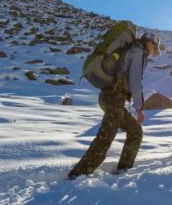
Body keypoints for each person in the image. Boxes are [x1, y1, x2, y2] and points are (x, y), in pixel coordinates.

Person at [68, 32, 159, 179]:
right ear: (150, 43)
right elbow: (135, 81)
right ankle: (77, 175)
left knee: (135, 131)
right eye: (154, 48)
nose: (153, 52)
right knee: (105, 137)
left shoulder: (132, 50)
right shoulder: (138, 52)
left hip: (110, 97)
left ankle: (123, 170)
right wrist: (139, 108)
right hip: (114, 97)